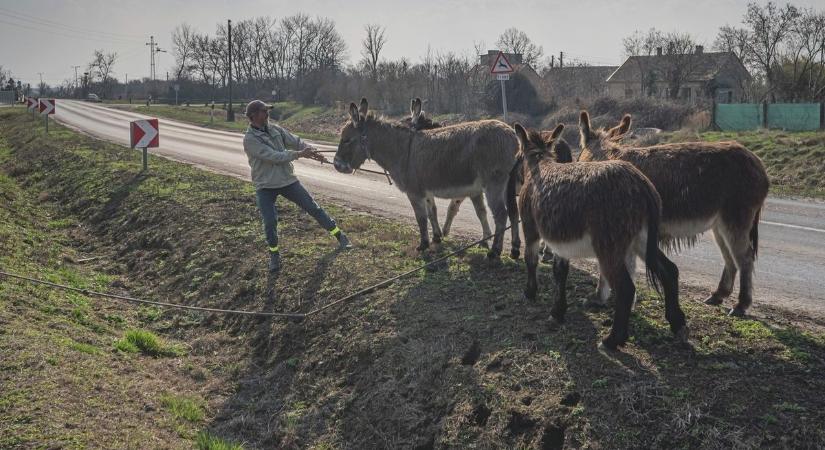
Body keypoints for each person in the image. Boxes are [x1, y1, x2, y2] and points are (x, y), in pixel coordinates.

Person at [243, 99, 352, 272]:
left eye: (267, 110)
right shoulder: (249, 140)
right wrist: (301, 154)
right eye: (264, 111)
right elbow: (274, 157)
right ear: (253, 116)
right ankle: (274, 256)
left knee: (313, 208)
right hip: (265, 186)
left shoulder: (275, 129)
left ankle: (341, 236)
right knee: (270, 222)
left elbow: (296, 141)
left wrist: (312, 151)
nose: (267, 113)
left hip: (287, 180)